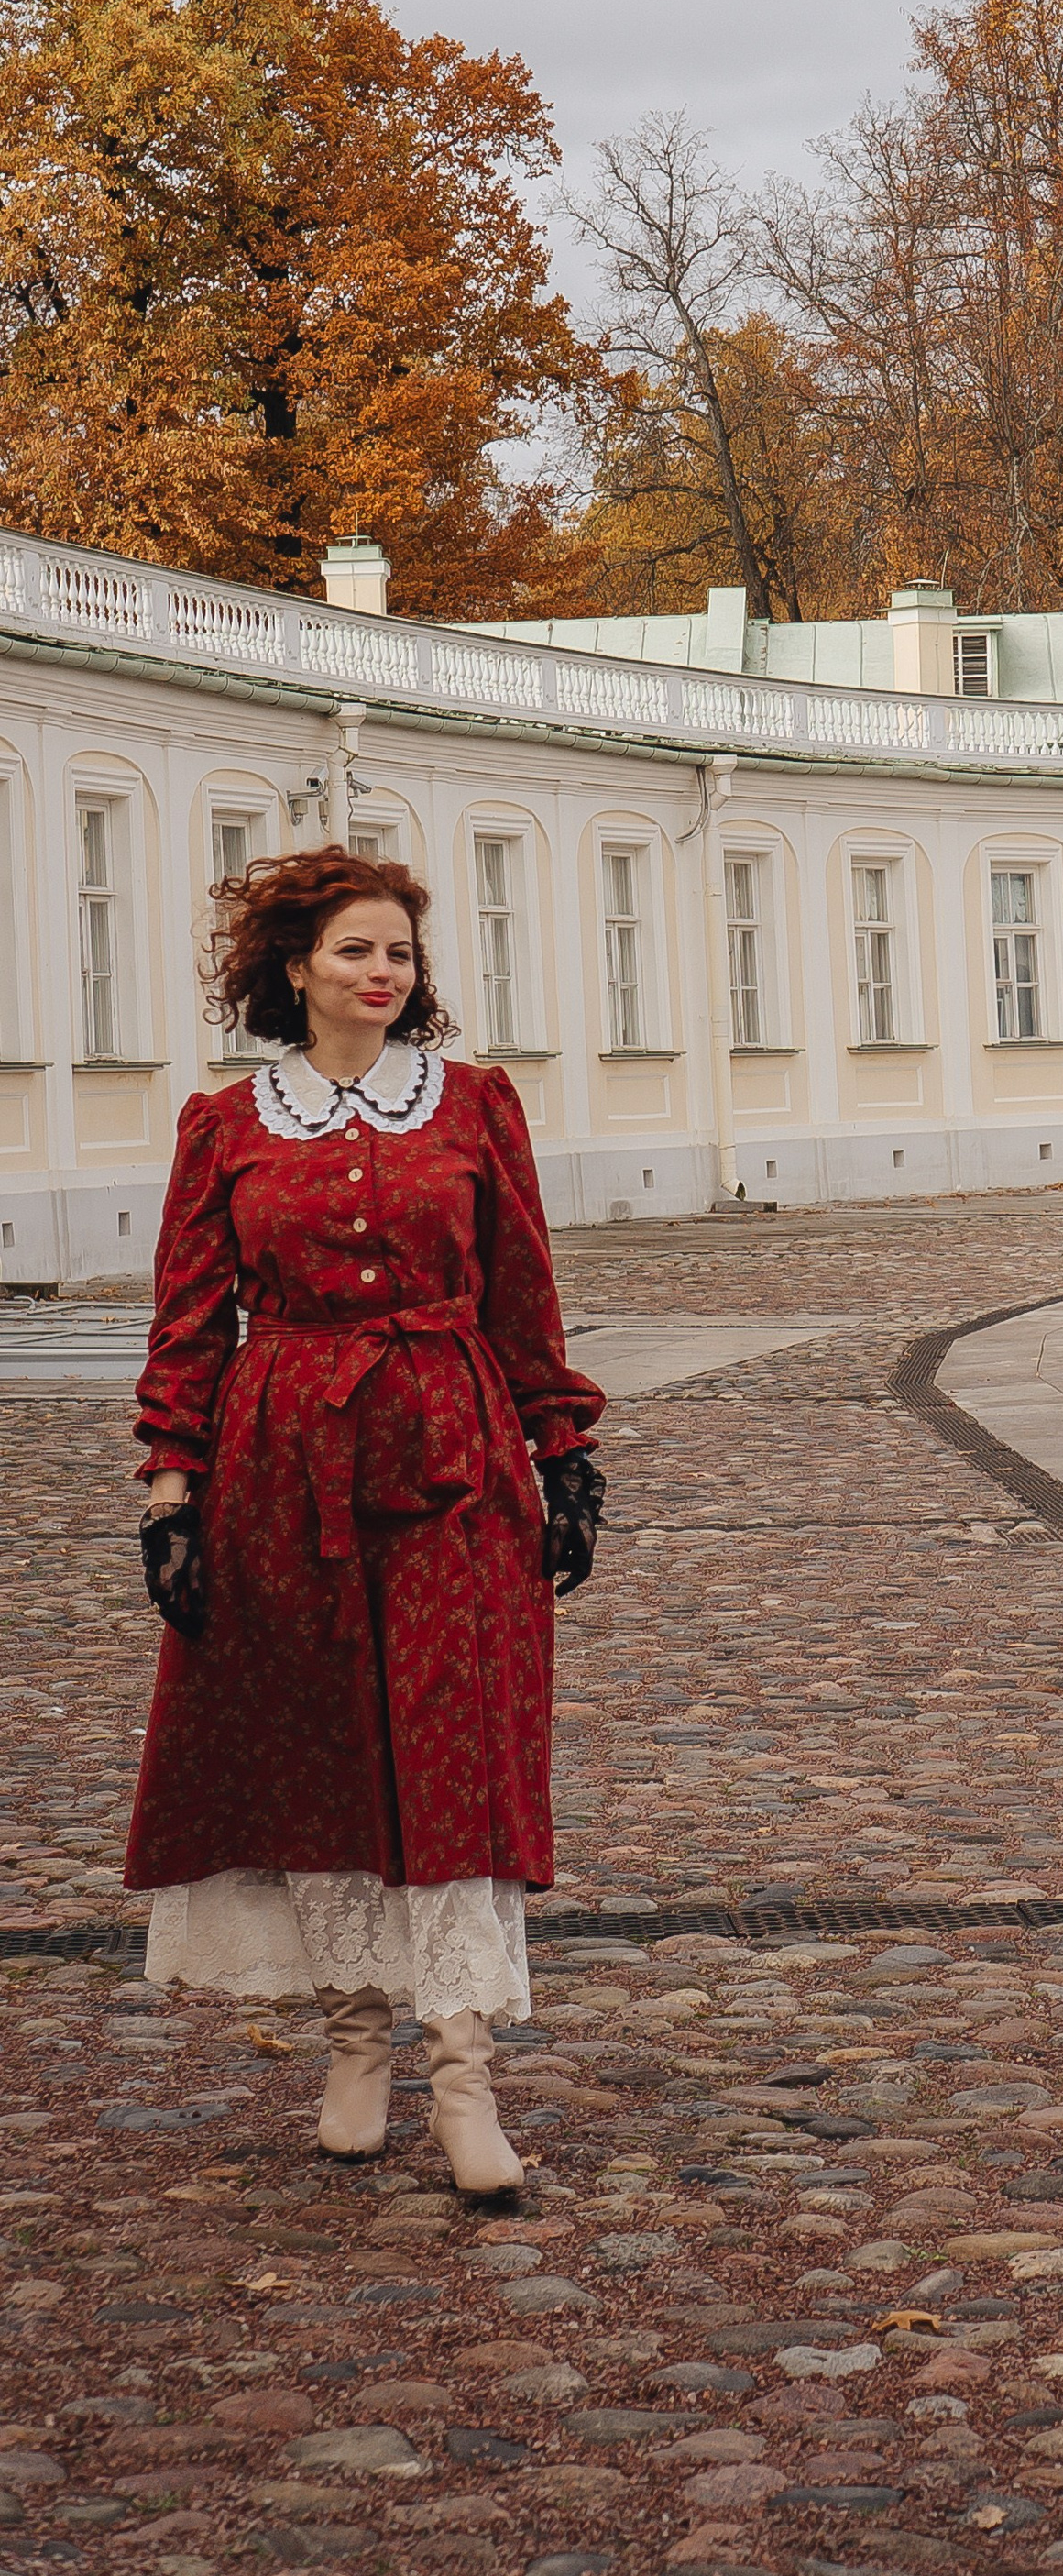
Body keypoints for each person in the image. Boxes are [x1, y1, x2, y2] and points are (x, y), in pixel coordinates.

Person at [125, 844, 607, 2196]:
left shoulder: (473, 1107)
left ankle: (463, 2078)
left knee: (454, 1749)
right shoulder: (226, 1125)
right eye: (355, 950)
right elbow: (187, 1320)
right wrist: (173, 1489)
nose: (382, 972)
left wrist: (561, 1448)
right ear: (296, 970)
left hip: (450, 1452)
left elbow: (523, 1285)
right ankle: (351, 2045)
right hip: (280, 1461)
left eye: (398, 952)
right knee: (317, 1747)